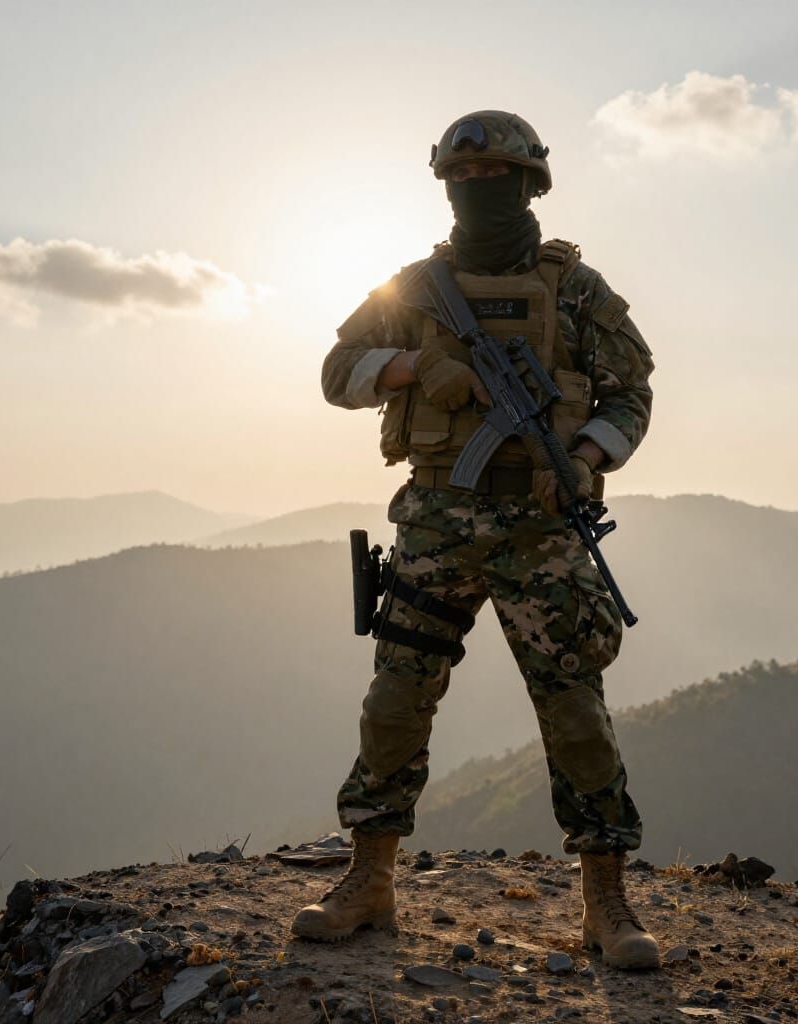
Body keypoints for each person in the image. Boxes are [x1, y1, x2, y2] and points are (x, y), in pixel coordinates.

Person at [291, 111, 659, 969]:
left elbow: (631, 390)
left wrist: (583, 452)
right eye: (468, 180)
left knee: (576, 714)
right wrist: (416, 367)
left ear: (532, 185)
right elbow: (334, 371)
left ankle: (606, 900)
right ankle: (368, 881)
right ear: (447, 187)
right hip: (437, 518)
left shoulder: (578, 291)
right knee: (395, 701)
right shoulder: (414, 291)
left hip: (542, 528)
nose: (481, 192)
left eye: (499, 178)